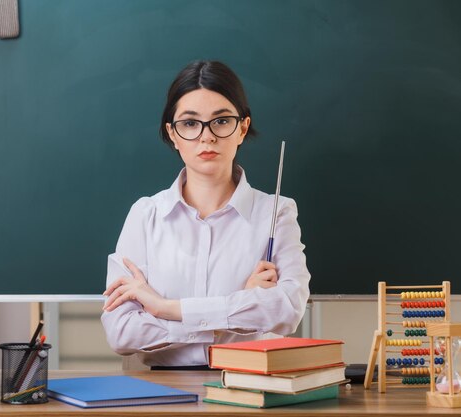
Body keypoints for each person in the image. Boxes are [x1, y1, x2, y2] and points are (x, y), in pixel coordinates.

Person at [101, 60, 310, 369]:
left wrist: (165, 308)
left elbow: (287, 309)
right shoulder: (145, 215)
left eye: (221, 121)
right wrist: (240, 305)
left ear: (242, 128)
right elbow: (122, 333)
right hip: (160, 392)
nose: (207, 137)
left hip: (246, 383)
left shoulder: (276, 212)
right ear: (172, 134)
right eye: (189, 123)